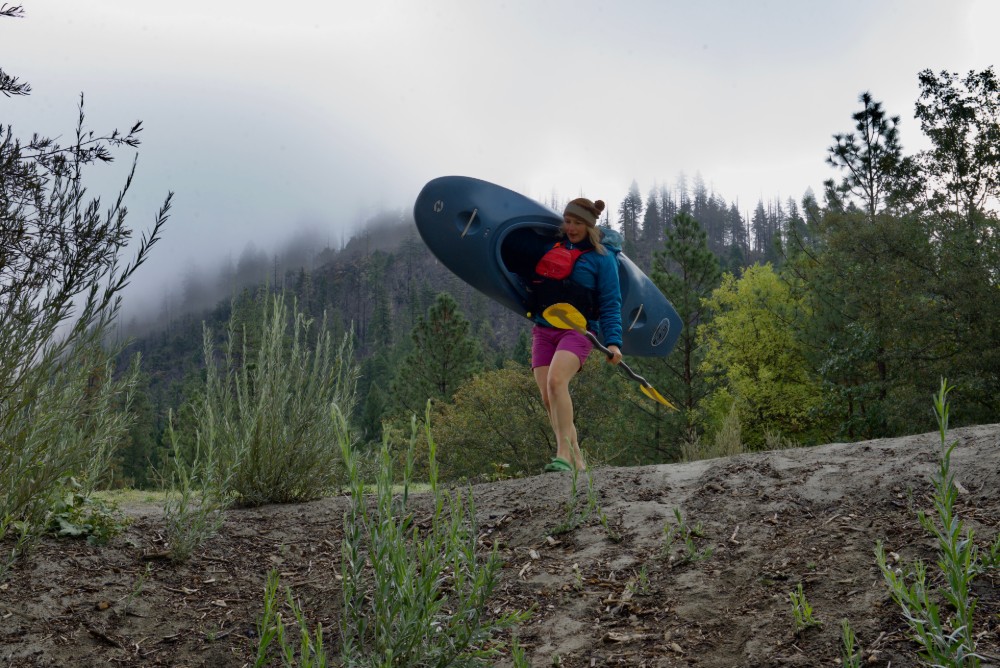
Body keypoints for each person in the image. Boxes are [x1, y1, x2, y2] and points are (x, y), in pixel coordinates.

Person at [526, 197, 623, 472]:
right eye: (568, 221)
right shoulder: (553, 247)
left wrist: (614, 342)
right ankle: (578, 460)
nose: (571, 228)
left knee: (557, 383)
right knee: (548, 397)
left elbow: (610, 301)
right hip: (544, 329)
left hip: (579, 331)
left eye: (578, 223)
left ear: (589, 226)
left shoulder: (603, 259)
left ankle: (563, 457)